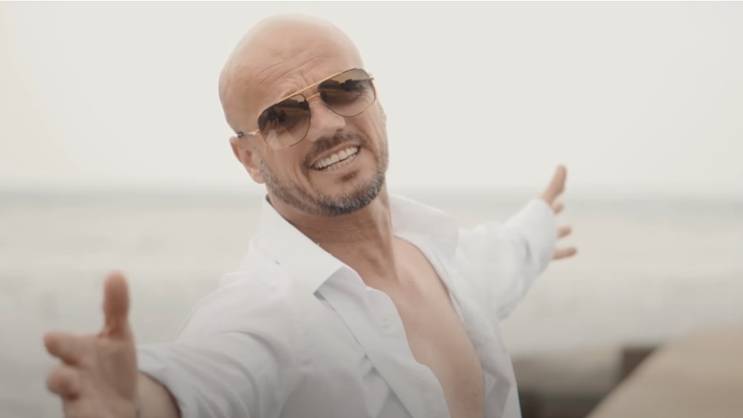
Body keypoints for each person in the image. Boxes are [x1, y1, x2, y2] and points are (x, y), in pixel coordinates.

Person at [43, 15, 576, 418]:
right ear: (249, 158)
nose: (326, 125)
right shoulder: (269, 311)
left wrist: (539, 225)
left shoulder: (441, 252)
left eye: (344, 89)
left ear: (376, 101)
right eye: (283, 117)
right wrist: (136, 401)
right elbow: (207, 376)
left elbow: (505, 258)